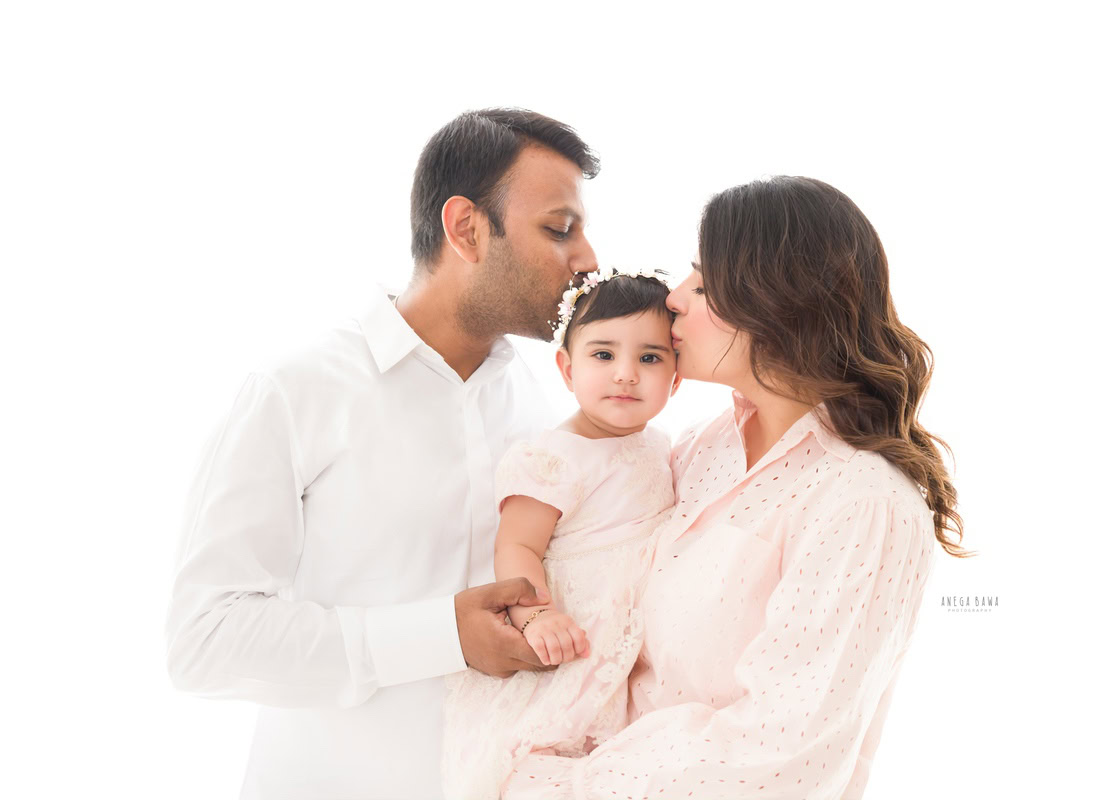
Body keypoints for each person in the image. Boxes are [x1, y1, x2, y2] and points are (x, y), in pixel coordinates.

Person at [164, 108, 601, 800]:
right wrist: (440, 636)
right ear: (466, 228)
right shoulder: (297, 392)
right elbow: (203, 641)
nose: (588, 261)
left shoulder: (543, 409)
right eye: (559, 229)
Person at [502, 176, 970, 799]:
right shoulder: (699, 448)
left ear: (772, 303)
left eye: (701, 283)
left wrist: (549, 785)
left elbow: (779, 755)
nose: (673, 299)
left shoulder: (861, 501)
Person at [441, 267, 683, 799]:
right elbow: (517, 545)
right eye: (604, 355)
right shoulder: (552, 456)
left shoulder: (661, 444)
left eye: (649, 358)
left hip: (632, 626)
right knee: (553, 744)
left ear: (676, 377)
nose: (625, 374)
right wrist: (536, 614)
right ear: (567, 369)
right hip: (575, 620)